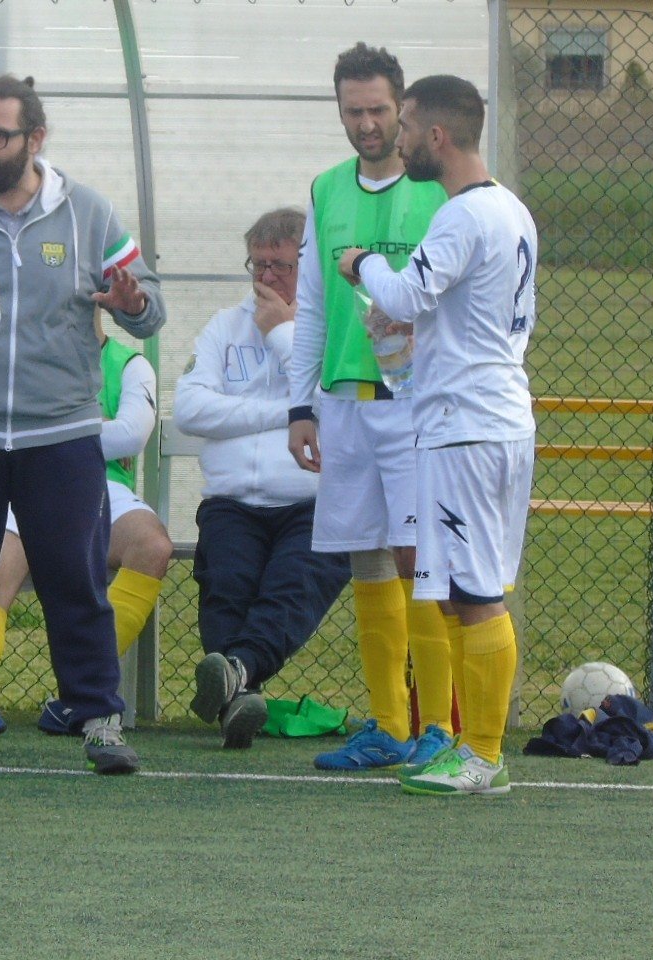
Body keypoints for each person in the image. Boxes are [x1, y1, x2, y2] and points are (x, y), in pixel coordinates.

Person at [0, 75, 165, 776]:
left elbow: (149, 308)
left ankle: (98, 715)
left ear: (36, 139)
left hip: (61, 435)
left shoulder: (87, 212)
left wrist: (131, 302)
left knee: (76, 579)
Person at [339, 74, 538, 796]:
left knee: (477, 589)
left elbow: (403, 291)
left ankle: (484, 753)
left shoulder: (463, 217)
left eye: (407, 125)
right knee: (456, 587)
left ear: (436, 136)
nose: (397, 138)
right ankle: (464, 743)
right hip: (486, 417)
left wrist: (363, 265)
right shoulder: (511, 211)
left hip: (468, 428)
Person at [285, 43, 456, 772]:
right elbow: (314, 304)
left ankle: (440, 730)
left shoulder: (441, 188)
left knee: (425, 563)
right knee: (368, 561)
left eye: (379, 110)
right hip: (347, 402)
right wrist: (301, 405)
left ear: (403, 109)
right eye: (353, 111)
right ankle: (388, 725)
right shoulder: (325, 189)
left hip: (420, 406)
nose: (366, 124)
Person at [175, 208, 353, 749]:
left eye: (280, 266)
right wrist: (285, 413)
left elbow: (333, 406)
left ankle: (236, 672)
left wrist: (283, 336)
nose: (266, 278)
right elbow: (189, 409)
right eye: (258, 265)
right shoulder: (224, 328)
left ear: (309, 266)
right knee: (225, 586)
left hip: (311, 500)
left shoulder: (335, 331)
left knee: (290, 589)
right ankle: (239, 693)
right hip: (233, 499)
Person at [0, 315, 171, 724]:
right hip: (25, 480)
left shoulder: (129, 363)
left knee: (152, 546)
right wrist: (91, 428)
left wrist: (54, 430)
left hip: (100, 481)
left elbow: (133, 435)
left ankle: (82, 697)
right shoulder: (26, 358)